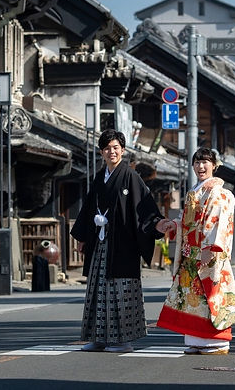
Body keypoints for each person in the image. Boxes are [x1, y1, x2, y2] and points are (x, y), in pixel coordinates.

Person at [70, 128, 168, 353]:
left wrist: (157, 223)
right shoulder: (99, 177)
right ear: (101, 152)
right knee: (97, 290)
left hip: (123, 244)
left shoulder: (131, 177)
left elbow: (144, 208)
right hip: (100, 242)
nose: (111, 152)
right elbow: (87, 209)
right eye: (106, 148)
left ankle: (123, 340)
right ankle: (98, 337)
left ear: (123, 150)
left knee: (121, 290)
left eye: (115, 148)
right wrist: (83, 236)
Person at [155, 147, 235, 355]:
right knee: (191, 299)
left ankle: (216, 342)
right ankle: (196, 341)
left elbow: (218, 223)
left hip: (208, 254)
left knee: (209, 298)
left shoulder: (219, 193)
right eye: (197, 162)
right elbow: (189, 221)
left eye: (205, 162)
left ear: (214, 165)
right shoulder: (196, 190)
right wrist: (175, 225)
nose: (200, 166)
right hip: (190, 253)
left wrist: (210, 248)